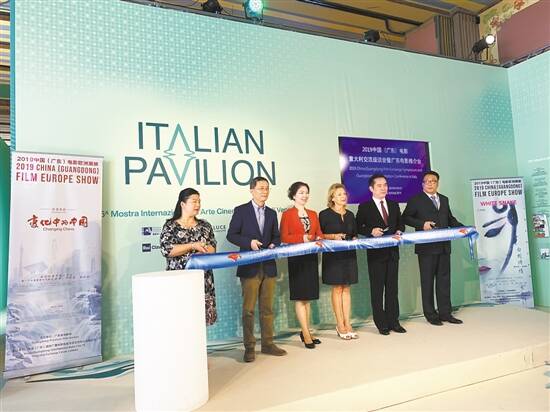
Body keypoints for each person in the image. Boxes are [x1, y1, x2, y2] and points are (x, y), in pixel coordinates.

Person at [227, 177, 287, 362]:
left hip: (268, 266)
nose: (264, 191)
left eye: (267, 188)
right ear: (252, 190)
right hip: (249, 267)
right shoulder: (241, 211)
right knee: (248, 310)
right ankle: (249, 347)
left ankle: (268, 344)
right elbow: (231, 235)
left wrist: (274, 244)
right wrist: (249, 242)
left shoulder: (272, 213)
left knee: (267, 308)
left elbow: (277, 236)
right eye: (261, 188)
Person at [402, 170, 465, 325]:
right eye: (427, 181)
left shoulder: (444, 199)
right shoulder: (416, 200)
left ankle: (445, 313)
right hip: (426, 248)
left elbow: (450, 219)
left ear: (437, 183)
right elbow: (405, 217)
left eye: (433, 181)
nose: (430, 183)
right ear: (422, 184)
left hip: (444, 246)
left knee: (444, 281)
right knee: (427, 282)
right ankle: (431, 315)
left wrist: (464, 228)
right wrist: (421, 224)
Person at [356, 174, 406, 336]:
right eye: (379, 185)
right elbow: (357, 227)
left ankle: (394, 321)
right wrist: (370, 231)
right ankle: (381, 323)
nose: (383, 188)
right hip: (376, 255)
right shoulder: (365, 207)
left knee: (392, 289)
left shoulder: (393, 205)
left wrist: (399, 231)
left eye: (385, 185)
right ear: (371, 188)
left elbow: (401, 224)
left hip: (393, 253)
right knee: (377, 290)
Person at [160, 188, 217, 326]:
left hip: (203, 280)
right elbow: (166, 250)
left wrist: (204, 250)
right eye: (194, 201)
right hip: (179, 280)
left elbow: (213, 248)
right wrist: (192, 246)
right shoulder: (171, 226)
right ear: (182, 204)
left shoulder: (205, 225)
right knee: (180, 320)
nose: (197, 205)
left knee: (200, 322)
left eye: (199, 201)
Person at [280, 182, 323, 349]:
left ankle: (307, 331)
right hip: (296, 259)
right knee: (300, 297)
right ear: (293, 195)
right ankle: (305, 333)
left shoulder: (313, 213)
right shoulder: (287, 214)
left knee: (308, 297)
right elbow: (284, 237)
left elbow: (318, 233)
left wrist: (318, 238)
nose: (304, 195)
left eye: (306, 192)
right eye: (301, 193)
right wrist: (302, 238)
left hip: (311, 258)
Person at [319, 183, 359, 340]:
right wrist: (333, 236)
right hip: (333, 257)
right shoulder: (324, 214)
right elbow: (319, 235)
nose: (343, 197)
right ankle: (340, 324)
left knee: (347, 289)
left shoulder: (350, 215)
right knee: (337, 288)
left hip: (349, 255)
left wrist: (354, 238)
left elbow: (354, 233)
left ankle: (348, 323)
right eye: (339, 194)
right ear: (332, 198)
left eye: (344, 194)